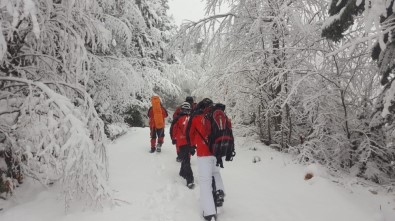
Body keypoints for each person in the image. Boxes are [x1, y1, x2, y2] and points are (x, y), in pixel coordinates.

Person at [186, 98, 225, 221]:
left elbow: (190, 133)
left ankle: (209, 213)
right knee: (216, 172)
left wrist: (192, 146)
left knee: (205, 182)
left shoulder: (197, 117)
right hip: (218, 151)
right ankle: (219, 191)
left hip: (204, 153)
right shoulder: (218, 115)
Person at [170, 102, 195, 188]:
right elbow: (194, 132)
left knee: (185, 159)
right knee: (186, 159)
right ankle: (186, 176)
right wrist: (194, 144)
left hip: (181, 142)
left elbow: (173, 129)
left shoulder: (177, 118)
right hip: (189, 143)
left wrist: (173, 139)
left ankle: (186, 177)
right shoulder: (191, 118)